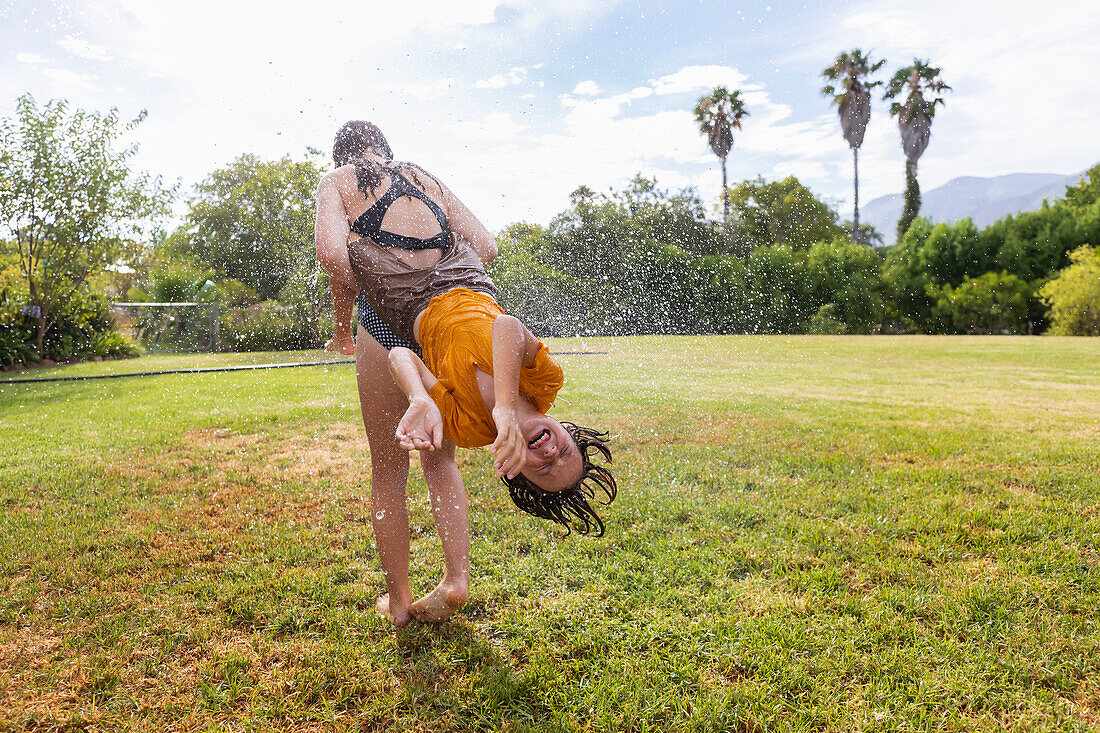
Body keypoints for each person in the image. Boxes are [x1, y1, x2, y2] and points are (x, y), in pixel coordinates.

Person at [315, 120, 615, 624]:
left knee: (388, 469)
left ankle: (400, 604)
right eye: (563, 449)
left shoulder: (337, 180)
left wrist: (356, 314)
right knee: (439, 461)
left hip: (391, 314)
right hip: (455, 301)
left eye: (542, 464)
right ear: (388, 150)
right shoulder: (423, 176)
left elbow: (332, 256)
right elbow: (487, 248)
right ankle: (456, 576)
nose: (549, 449)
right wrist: (441, 259)